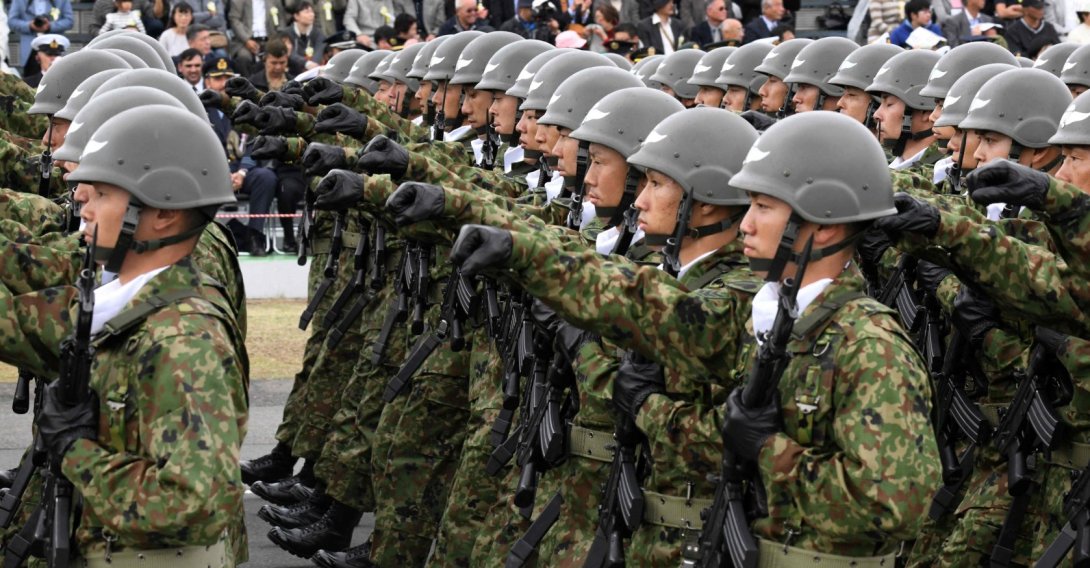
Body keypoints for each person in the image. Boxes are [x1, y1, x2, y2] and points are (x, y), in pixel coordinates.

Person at [32, 103, 248, 568]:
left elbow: (192, 501)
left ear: (163, 213)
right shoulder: (139, 310)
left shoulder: (182, 339)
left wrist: (77, 451)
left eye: (103, 194)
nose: (83, 205)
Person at [228, 0, 287, 77]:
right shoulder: (239, 1)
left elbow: (281, 20)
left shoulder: (275, 1)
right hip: (244, 41)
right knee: (243, 57)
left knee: (277, 55)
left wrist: (277, 39)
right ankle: (247, 84)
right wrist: (246, 40)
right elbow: (234, 20)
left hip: (269, 39)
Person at [8, 0, 73, 66]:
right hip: (28, 49)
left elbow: (69, 21)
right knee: (30, 75)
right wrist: (29, 25)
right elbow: (12, 21)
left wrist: (50, 26)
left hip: (54, 48)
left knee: (56, 73)